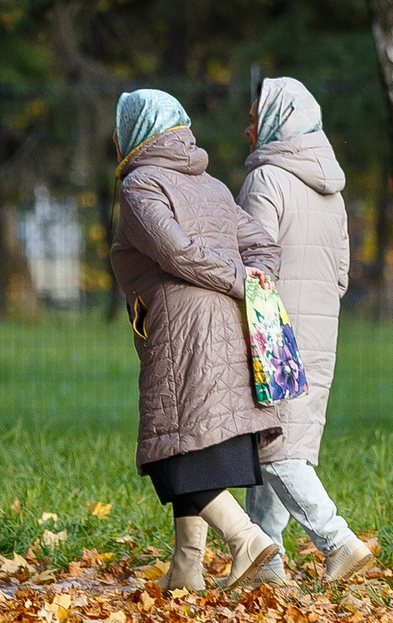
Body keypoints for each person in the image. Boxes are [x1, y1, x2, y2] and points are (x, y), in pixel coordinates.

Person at [109, 88, 284, 592]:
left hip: (181, 330)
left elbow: (175, 252)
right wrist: (254, 281)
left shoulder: (140, 184)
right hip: (227, 324)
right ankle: (187, 567)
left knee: (172, 452)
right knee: (192, 439)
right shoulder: (212, 186)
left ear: (134, 131)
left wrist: (240, 280)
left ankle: (244, 538)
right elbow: (263, 246)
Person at [237, 76, 376, 587]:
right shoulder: (332, 191)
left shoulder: (266, 180)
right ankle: (266, 565)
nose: (247, 129)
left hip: (272, 336)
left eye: (255, 119)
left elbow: (252, 264)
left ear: (277, 122)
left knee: (275, 447)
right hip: (320, 333)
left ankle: (337, 540)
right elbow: (341, 275)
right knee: (278, 441)